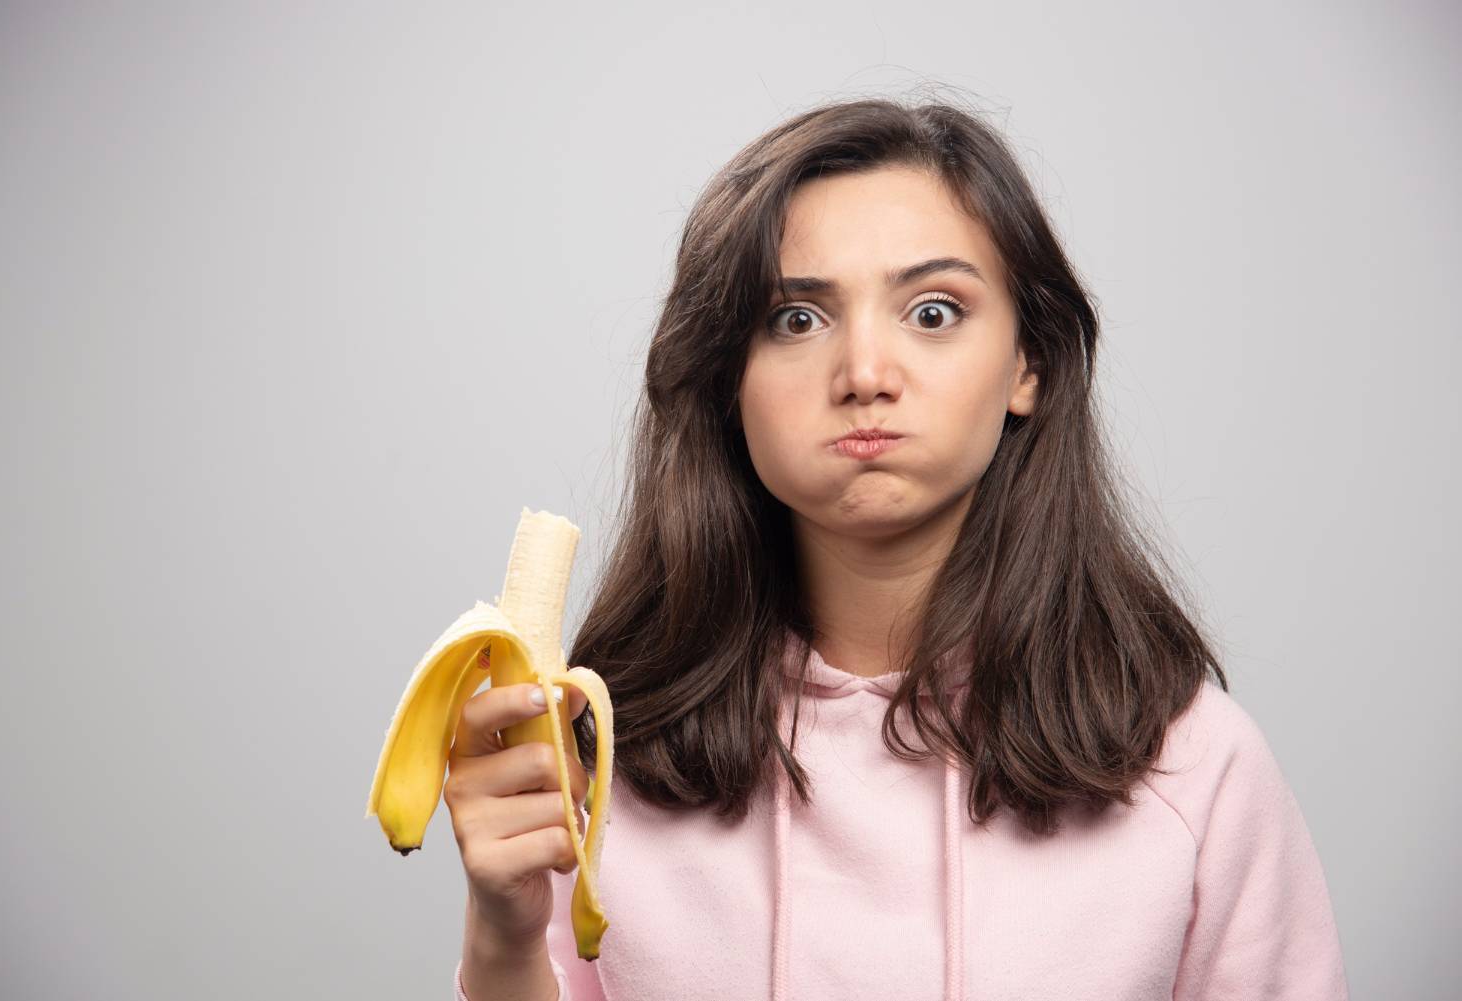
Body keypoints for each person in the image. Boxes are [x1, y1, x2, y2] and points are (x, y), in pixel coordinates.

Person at [444, 94, 1350, 1001]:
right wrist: (504, 934)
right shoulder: (598, 758)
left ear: (1027, 363)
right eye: (797, 319)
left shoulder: (1192, 766)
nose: (866, 376)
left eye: (933, 311)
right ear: (727, 378)